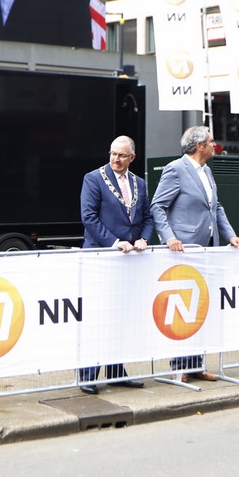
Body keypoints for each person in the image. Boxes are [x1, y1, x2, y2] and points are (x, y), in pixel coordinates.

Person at [149, 126, 239, 382]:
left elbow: (216, 207)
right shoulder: (175, 169)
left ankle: (196, 364)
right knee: (183, 308)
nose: (215, 145)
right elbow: (157, 206)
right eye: (211, 141)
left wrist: (230, 235)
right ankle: (179, 366)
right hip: (185, 250)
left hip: (207, 249)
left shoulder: (207, 171)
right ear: (199, 145)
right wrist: (169, 237)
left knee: (201, 306)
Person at [77, 136, 154, 394]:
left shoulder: (139, 183)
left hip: (129, 260)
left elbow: (147, 217)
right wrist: (114, 242)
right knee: (98, 316)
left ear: (132, 157)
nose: (115, 159)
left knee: (121, 316)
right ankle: (88, 374)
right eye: (113, 154)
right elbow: (89, 218)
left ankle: (115, 371)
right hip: (102, 257)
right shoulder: (93, 179)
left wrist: (144, 238)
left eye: (121, 155)